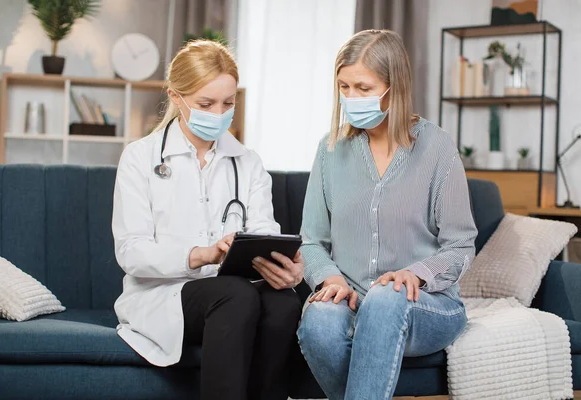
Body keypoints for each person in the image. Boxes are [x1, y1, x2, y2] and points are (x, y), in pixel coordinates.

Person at [112, 40, 303, 400]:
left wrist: (287, 267)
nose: (218, 113)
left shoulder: (247, 162)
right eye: (205, 104)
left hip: (233, 293)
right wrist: (203, 254)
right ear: (176, 96)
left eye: (228, 103)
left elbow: (263, 232)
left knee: (283, 302)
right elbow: (131, 252)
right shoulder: (140, 158)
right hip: (163, 295)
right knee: (234, 294)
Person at [296, 29, 478, 400]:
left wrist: (416, 274)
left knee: (386, 298)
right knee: (318, 324)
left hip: (427, 306)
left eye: (363, 88)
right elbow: (312, 240)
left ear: (394, 87)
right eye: (343, 87)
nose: (350, 98)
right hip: (351, 298)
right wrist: (330, 278)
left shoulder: (437, 147)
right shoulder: (330, 150)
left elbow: (461, 246)